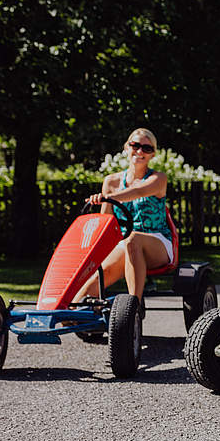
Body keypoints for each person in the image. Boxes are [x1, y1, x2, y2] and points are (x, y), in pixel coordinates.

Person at [73, 128, 172, 307]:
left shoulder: (158, 178)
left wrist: (108, 197)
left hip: (157, 242)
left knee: (132, 240)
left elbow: (138, 191)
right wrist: (105, 201)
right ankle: (70, 314)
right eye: (135, 145)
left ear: (152, 154)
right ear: (127, 147)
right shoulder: (111, 182)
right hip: (124, 243)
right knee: (86, 291)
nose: (140, 151)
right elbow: (106, 219)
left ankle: (133, 309)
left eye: (146, 148)